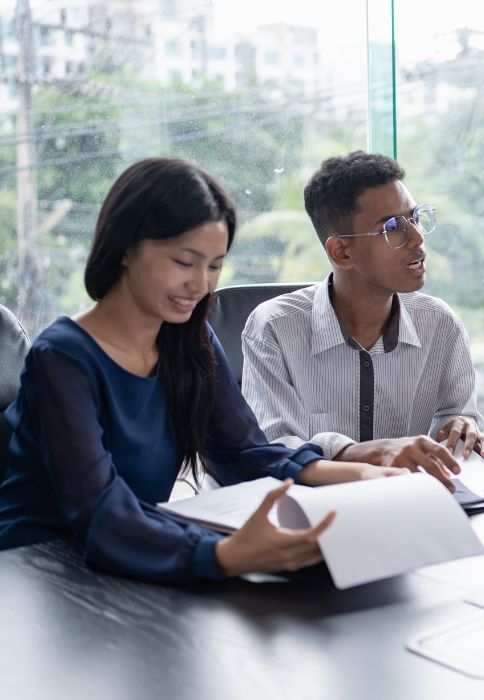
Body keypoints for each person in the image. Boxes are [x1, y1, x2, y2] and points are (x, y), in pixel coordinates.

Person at [0, 158, 424, 583]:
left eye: (215, 265)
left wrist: (364, 475)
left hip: (134, 553)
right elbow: (99, 511)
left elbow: (243, 451)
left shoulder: (189, 338)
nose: (201, 284)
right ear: (127, 249)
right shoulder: (63, 357)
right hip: (38, 571)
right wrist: (224, 554)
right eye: (185, 262)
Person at [240, 152, 484, 484]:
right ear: (341, 251)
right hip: (311, 508)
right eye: (393, 227)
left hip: (410, 504)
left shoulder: (441, 324)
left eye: (415, 218)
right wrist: (363, 452)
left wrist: (459, 427)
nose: (418, 238)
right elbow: (276, 451)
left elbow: (457, 419)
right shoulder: (273, 328)